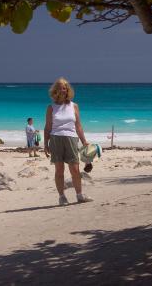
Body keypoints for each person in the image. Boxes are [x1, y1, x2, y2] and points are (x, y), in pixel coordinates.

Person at [44, 77, 93, 206]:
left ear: (68, 90)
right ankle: (62, 197)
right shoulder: (51, 107)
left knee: (75, 169)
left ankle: (80, 195)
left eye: (64, 88)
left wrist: (84, 141)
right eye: (59, 88)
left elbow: (78, 126)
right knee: (59, 170)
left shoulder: (74, 106)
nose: (62, 90)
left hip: (71, 138)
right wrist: (45, 144)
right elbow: (48, 127)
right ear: (55, 90)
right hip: (55, 139)